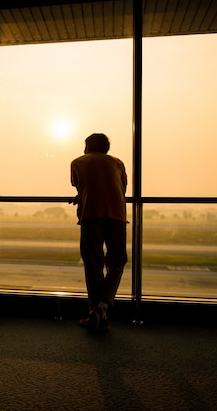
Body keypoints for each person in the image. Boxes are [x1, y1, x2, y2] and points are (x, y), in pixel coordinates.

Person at [70, 133, 128, 333]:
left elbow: (81, 186)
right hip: (117, 215)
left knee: (93, 263)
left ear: (87, 146)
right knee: (118, 261)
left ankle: (94, 312)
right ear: (106, 149)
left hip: (91, 214)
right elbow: (122, 189)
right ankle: (102, 308)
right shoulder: (118, 163)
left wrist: (81, 197)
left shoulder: (78, 162)